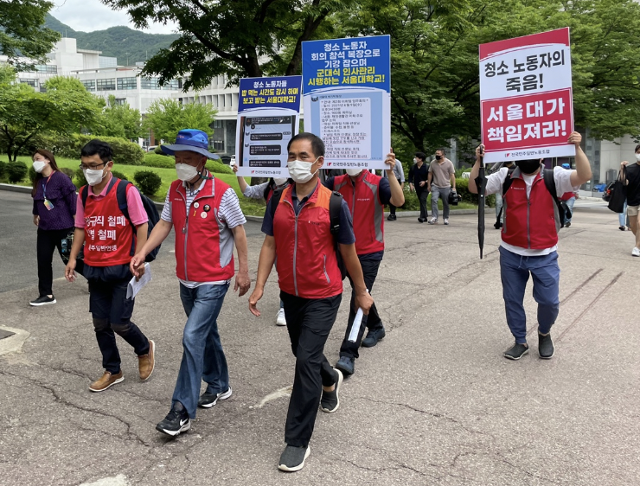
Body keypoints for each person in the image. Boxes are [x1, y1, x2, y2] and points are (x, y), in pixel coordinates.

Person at [248, 132, 374, 472]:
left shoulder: (333, 203)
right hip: (290, 293)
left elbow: (348, 251)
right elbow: (270, 244)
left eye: (303, 156)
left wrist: (361, 292)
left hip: (324, 293)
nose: (295, 162)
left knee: (304, 360)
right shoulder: (279, 198)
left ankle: (296, 441)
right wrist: (260, 285)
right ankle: (330, 378)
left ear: (319, 162)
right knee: (304, 353)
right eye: (291, 155)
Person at [130, 129, 251, 437]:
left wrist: (244, 271)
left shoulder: (223, 192)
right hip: (187, 280)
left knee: (191, 336)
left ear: (201, 160)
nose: (179, 163)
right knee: (206, 333)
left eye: (186, 158)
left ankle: (181, 410)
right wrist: (142, 252)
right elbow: (164, 223)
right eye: (177, 158)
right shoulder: (175, 190)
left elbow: (239, 232)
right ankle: (220, 384)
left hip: (214, 280)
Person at [469, 132, 592, 360]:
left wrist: (577, 148)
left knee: (549, 301)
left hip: (544, 254)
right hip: (511, 253)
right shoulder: (505, 176)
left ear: (541, 157)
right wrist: (479, 161)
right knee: (512, 300)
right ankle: (520, 341)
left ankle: (544, 333)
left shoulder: (553, 176)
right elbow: (476, 188)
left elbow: (584, 175)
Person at [65, 140, 155, 392]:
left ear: (108, 165)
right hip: (95, 267)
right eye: (84, 166)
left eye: (93, 166)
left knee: (119, 322)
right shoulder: (83, 193)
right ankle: (112, 370)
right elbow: (81, 227)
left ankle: (144, 348)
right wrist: (73, 258)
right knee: (100, 323)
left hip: (122, 269)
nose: (88, 170)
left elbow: (141, 225)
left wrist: (140, 256)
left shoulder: (126, 191)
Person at [324, 153, 404, 376]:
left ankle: (348, 353)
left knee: (358, 298)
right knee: (360, 293)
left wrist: (390, 171)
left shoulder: (378, 183)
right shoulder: (334, 183)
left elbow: (398, 201)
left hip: (369, 253)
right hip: (340, 251)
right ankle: (376, 327)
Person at [233, 163, 289, 326]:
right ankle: (284, 306)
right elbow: (248, 191)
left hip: (294, 236)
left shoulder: (296, 187)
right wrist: (239, 173)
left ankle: (293, 303)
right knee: (282, 272)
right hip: (275, 236)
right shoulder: (269, 186)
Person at [30, 149, 78, 306]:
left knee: (70, 258)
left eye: (37, 158)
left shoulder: (61, 178)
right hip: (44, 229)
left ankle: (96, 279)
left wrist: (76, 220)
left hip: (63, 227)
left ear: (48, 160)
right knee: (43, 261)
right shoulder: (39, 181)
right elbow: (38, 199)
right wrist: (35, 214)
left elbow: (72, 200)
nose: (35, 162)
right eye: (33, 160)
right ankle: (47, 294)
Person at [427, 148, 456, 225]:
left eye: (438, 154)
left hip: (446, 186)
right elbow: (430, 173)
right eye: (436, 153)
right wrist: (429, 184)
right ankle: (434, 217)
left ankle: (445, 218)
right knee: (434, 199)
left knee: (445, 203)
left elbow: (452, 175)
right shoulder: (433, 163)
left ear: (443, 155)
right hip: (435, 185)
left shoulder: (449, 163)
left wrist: (454, 187)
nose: (436, 155)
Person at [620, 144, 640, 256]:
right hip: (632, 200)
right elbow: (624, 182)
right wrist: (622, 168)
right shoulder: (630, 169)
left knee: (639, 222)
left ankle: (637, 248)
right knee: (633, 226)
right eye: (638, 152)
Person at [408, 152, 429, 222]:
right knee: (421, 200)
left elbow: (431, 178)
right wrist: (411, 184)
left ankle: (422, 216)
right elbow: (410, 177)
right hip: (417, 187)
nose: (415, 159)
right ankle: (425, 216)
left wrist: (425, 182)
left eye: (416, 157)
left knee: (423, 199)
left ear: (420, 159)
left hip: (426, 187)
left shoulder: (426, 167)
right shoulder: (413, 167)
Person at [493, 161, 514, 229]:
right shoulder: (499, 166)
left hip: (510, 189)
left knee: (508, 205)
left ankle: (506, 221)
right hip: (500, 188)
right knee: (499, 203)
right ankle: (499, 221)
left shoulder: (516, 168)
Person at [559, 163, 577, 227]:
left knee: (569, 208)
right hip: (561, 197)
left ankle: (567, 221)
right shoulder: (558, 176)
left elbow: (576, 185)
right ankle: (562, 221)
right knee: (562, 209)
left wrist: (576, 192)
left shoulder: (571, 176)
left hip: (570, 196)